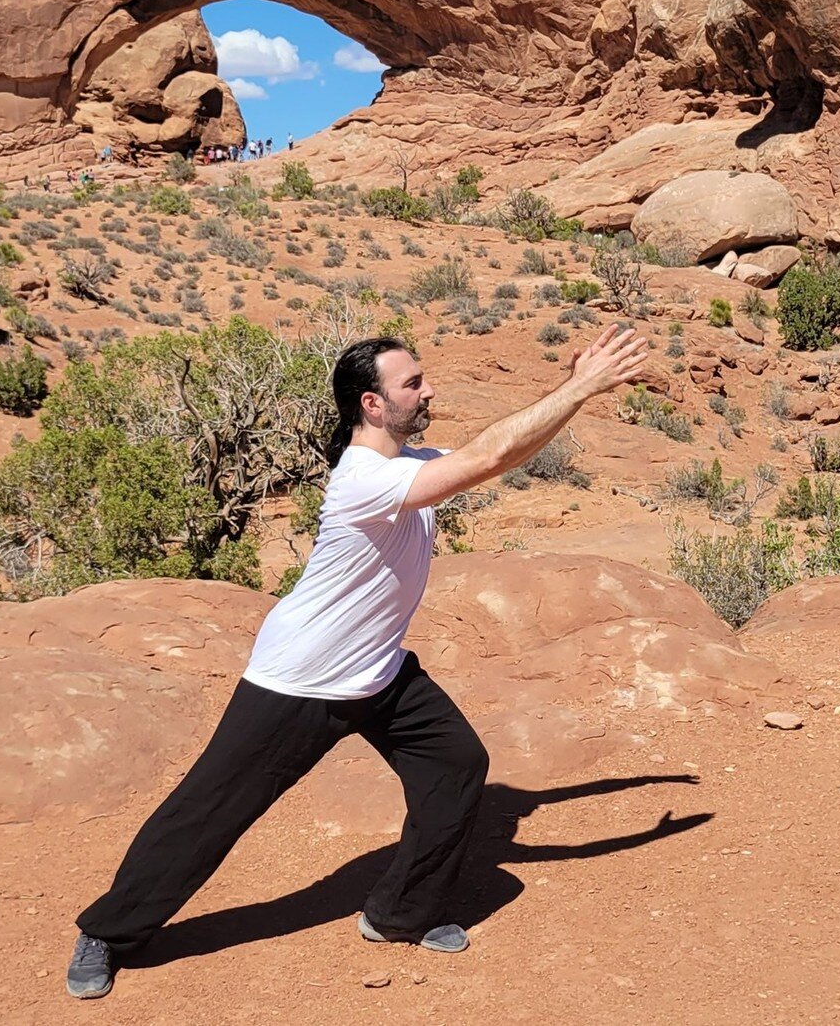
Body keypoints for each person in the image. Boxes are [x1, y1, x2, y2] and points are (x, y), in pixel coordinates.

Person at [65, 325, 649, 1000]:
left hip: (378, 671)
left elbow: (504, 453)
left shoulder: (408, 465)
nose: (428, 389)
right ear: (373, 403)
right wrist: (582, 385)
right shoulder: (363, 479)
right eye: (413, 382)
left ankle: (400, 911)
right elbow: (490, 455)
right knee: (208, 810)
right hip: (303, 677)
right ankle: (108, 929)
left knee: (457, 766)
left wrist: (568, 395)